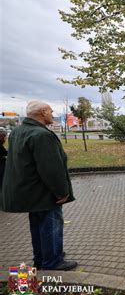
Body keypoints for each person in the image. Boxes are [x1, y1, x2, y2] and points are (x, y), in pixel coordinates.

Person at [1, 101, 77, 271]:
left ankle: (42, 259)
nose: (52, 113)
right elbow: (50, 168)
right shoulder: (41, 135)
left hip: (30, 193)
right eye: (50, 111)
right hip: (44, 193)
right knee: (51, 226)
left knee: (37, 227)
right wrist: (62, 192)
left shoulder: (18, 131)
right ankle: (53, 261)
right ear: (43, 112)